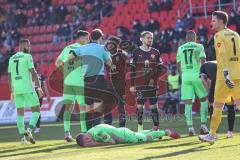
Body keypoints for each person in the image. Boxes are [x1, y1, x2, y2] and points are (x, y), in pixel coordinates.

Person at [199, 11, 240, 144]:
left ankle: (212, 135)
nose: (211, 23)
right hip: (237, 74)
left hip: (225, 76)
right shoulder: (235, 34)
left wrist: (226, 73)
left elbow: (222, 54)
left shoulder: (219, 35)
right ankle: (212, 134)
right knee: (238, 104)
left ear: (221, 21)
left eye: (214, 20)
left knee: (217, 105)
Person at [69, 29, 113, 130]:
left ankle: (88, 133)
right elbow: (110, 63)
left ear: (90, 37)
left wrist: (83, 60)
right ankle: (96, 132)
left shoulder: (83, 48)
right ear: (100, 37)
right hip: (99, 79)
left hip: (87, 80)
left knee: (88, 108)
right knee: (97, 107)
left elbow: (70, 58)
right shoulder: (103, 48)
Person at [55, 30, 89, 142]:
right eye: (87, 38)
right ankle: (84, 132)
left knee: (68, 109)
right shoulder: (83, 49)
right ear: (82, 38)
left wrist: (65, 72)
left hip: (68, 82)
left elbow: (57, 63)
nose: (88, 41)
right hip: (79, 82)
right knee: (83, 108)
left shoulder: (66, 48)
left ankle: (67, 133)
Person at [8, 38, 43, 145]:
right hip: (27, 88)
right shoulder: (27, 56)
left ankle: (22, 139)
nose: (30, 48)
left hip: (17, 90)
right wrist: (39, 87)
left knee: (20, 114)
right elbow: (33, 72)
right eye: (28, 46)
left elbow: (9, 77)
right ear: (23, 46)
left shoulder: (11, 58)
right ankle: (29, 131)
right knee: (36, 110)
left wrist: (12, 91)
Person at [130, 31, 166, 132]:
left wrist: (154, 79)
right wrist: (132, 85)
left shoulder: (156, 52)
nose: (150, 40)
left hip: (152, 84)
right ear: (142, 39)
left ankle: (156, 128)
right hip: (140, 84)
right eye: (148, 38)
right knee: (140, 106)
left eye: (151, 38)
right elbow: (132, 70)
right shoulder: (136, 52)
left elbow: (160, 68)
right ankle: (140, 128)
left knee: (154, 106)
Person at [176, 30, 209, 136]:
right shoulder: (199, 46)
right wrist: (204, 74)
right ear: (195, 38)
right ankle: (203, 125)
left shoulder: (180, 48)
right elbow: (203, 60)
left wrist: (182, 75)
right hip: (197, 75)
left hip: (186, 77)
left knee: (187, 102)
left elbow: (178, 63)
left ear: (186, 38)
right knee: (204, 99)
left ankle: (190, 128)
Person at [200, 61, 236, 138]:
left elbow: (204, 81)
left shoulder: (202, 68)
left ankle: (214, 133)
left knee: (212, 104)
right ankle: (230, 132)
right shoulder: (214, 63)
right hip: (229, 74)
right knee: (231, 105)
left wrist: (209, 93)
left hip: (219, 76)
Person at [75, 124, 180, 147]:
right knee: (138, 134)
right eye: (87, 143)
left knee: (146, 139)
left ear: (85, 135)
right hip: (122, 132)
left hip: (126, 136)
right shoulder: (90, 131)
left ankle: (165, 132)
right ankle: (151, 130)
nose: (90, 141)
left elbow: (112, 142)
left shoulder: (98, 133)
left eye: (87, 140)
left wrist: (94, 144)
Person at [104, 36, 129, 127]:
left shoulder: (121, 54)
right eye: (108, 44)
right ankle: (108, 127)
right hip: (109, 85)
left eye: (110, 44)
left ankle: (122, 128)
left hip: (120, 85)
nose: (108, 45)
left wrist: (121, 51)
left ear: (115, 45)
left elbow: (127, 57)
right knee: (106, 107)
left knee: (121, 107)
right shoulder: (106, 56)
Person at [34, 63, 51, 133]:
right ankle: (36, 126)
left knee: (36, 111)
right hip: (35, 93)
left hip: (37, 93)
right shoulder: (38, 76)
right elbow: (44, 86)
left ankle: (37, 127)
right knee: (35, 111)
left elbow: (44, 86)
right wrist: (47, 95)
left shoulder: (40, 76)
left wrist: (47, 95)